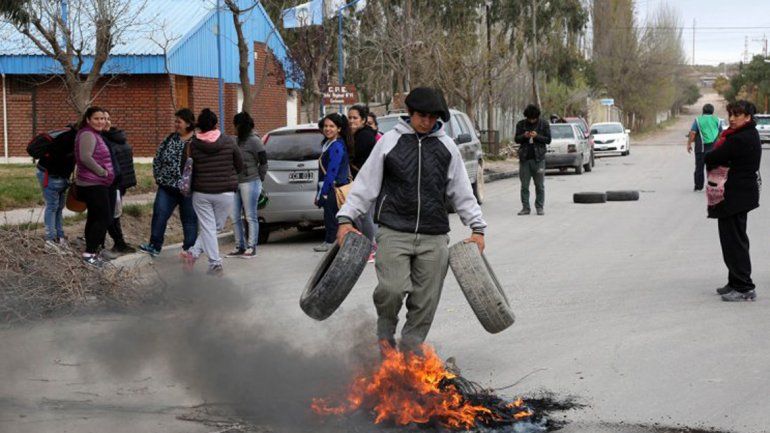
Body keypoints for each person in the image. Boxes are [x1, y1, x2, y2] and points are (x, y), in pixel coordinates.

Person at [336, 87, 486, 353]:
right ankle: (385, 337)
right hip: (394, 231)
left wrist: (477, 227)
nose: (426, 122)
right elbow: (365, 185)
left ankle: (409, 351)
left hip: (434, 235)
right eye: (421, 116)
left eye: (432, 117)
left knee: (425, 300)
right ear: (410, 113)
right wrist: (345, 218)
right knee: (391, 291)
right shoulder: (389, 142)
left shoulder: (446, 146)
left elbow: (462, 191)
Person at [705, 100, 762, 302]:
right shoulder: (740, 135)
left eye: (737, 115)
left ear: (748, 117)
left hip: (735, 196)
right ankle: (734, 281)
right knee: (731, 241)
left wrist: (713, 157)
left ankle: (745, 287)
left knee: (735, 243)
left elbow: (711, 156)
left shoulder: (740, 138)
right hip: (735, 195)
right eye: (731, 114)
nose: (732, 118)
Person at [183, 108, 243, 276]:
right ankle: (213, 263)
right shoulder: (229, 141)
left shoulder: (192, 145)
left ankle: (195, 254)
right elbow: (240, 165)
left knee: (210, 227)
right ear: (216, 124)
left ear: (199, 126)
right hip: (226, 193)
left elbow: (185, 169)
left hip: (201, 193)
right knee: (213, 227)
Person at [139, 109, 199, 257]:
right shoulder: (170, 139)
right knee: (160, 214)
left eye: (179, 121)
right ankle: (154, 245)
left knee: (189, 220)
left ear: (189, 123)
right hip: (167, 187)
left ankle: (189, 249)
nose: (176, 124)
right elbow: (158, 158)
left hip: (189, 190)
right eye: (175, 121)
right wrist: (158, 176)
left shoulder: (197, 141)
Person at [74, 107, 114, 267]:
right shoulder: (88, 134)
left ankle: (92, 252)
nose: (101, 121)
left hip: (95, 183)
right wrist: (102, 172)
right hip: (93, 184)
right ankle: (89, 254)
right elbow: (85, 157)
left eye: (103, 119)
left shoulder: (94, 134)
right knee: (105, 217)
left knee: (95, 217)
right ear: (88, 120)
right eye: (97, 119)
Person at [226, 111, 267, 259]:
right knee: (235, 216)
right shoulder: (235, 141)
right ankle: (240, 246)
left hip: (251, 181)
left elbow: (263, 162)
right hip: (236, 183)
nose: (234, 129)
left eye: (236, 126)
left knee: (250, 216)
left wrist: (260, 179)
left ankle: (252, 246)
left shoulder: (255, 141)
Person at [101, 109, 137, 254]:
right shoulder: (117, 137)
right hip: (118, 182)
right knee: (109, 214)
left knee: (110, 214)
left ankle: (116, 243)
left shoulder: (107, 139)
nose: (104, 121)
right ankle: (116, 243)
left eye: (105, 118)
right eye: (100, 118)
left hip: (114, 183)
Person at [35, 124, 76, 249]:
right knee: (53, 207)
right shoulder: (69, 138)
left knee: (58, 208)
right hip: (51, 175)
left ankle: (59, 236)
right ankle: (50, 240)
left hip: (59, 176)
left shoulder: (70, 135)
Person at [314, 113, 350, 253]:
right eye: (325, 126)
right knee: (330, 216)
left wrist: (323, 193)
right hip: (329, 187)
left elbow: (332, 171)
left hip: (334, 188)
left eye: (332, 126)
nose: (328, 129)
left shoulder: (336, 146)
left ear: (339, 129)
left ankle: (331, 243)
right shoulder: (329, 144)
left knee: (332, 217)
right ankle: (330, 242)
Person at [347, 104, 378, 261]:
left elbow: (356, 156)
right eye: (349, 118)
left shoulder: (364, 136)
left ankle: (371, 247)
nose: (351, 121)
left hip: (367, 181)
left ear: (364, 120)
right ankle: (370, 245)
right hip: (362, 181)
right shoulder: (357, 135)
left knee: (364, 215)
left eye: (355, 118)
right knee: (362, 215)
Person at [514, 104, 551, 216]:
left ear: (537, 116)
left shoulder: (544, 124)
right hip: (525, 159)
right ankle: (525, 208)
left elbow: (548, 140)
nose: (531, 120)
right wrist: (524, 136)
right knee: (524, 185)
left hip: (539, 159)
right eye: (529, 118)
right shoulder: (521, 124)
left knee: (539, 185)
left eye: (533, 118)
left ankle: (539, 207)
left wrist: (537, 136)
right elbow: (516, 139)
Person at [687, 103, 721, 191]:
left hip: (700, 148)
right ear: (712, 111)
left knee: (699, 167)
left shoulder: (698, 120)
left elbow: (693, 133)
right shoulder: (717, 120)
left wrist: (689, 144)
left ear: (703, 111)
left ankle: (698, 186)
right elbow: (721, 134)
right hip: (714, 148)